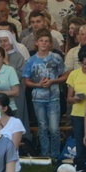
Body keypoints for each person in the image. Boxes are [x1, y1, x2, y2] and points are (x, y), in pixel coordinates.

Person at [23, 32, 65, 161]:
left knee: (54, 128)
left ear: (51, 44)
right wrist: (38, 85)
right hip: (38, 98)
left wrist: (53, 81)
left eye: (47, 41)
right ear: (36, 42)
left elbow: (65, 74)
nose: (44, 43)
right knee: (42, 127)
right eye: (41, 40)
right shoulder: (31, 60)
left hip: (54, 97)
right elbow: (26, 80)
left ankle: (55, 154)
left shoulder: (56, 58)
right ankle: (45, 154)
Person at [66, 46, 86, 172]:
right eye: (83, 63)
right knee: (80, 144)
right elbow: (69, 97)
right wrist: (74, 99)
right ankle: (81, 170)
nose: (85, 66)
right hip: (78, 113)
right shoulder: (74, 74)